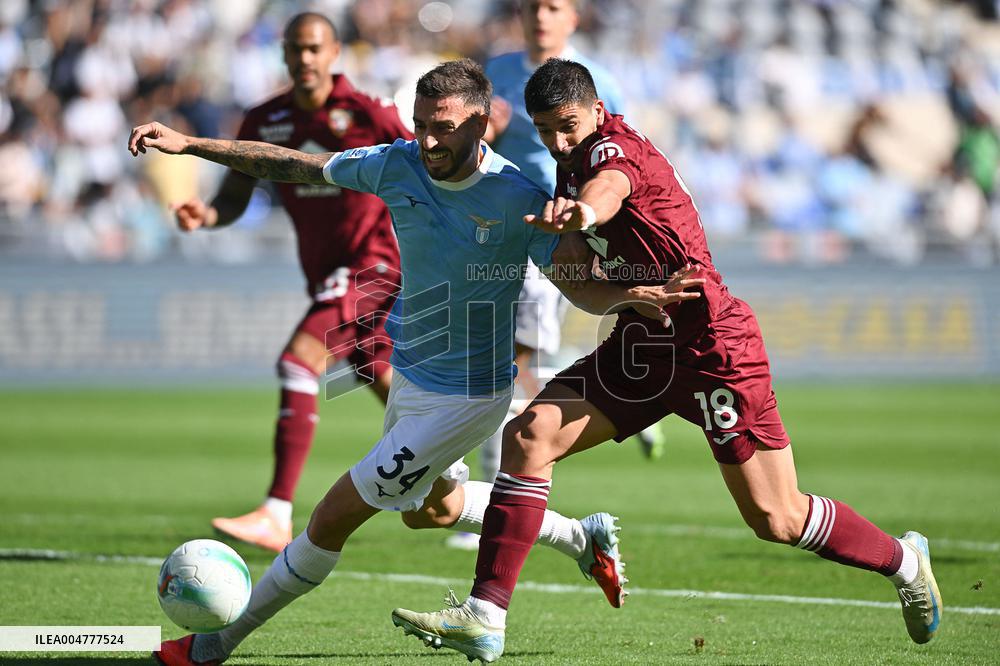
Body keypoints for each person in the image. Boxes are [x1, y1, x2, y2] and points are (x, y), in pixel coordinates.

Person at [131, 58, 701, 666]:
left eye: (445, 127)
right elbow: (287, 163)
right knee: (434, 511)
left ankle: (213, 645)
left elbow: (573, 281)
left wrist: (622, 298)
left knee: (332, 517)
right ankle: (579, 536)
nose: (429, 140)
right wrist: (191, 145)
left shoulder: (519, 198)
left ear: (481, 124)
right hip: (414, 378)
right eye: (421, 124)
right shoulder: (395, 163)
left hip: (469, 396)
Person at [391, 59, 943, 663]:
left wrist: (582, 214)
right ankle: (485, 615)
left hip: (712, 345)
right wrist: (569, 251)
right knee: (531, 435)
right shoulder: (568, 166)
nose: (558, 141)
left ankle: (904, 562)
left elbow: (610, 191)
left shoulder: (611, 154)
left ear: (597, 112)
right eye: (546, 130)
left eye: (569, 126)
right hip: (642, 345)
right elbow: (579, 269)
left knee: (777, 518)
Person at [175, 13, 412, 553]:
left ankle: (276, 510)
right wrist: (206, 216)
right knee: (372, 367)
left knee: (298, 359)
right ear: (283, 55)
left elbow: (426, 169)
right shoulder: (266, 119)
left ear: (333, 54)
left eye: (314, 49)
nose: (305, 59)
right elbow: (235, 196)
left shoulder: (371, 113)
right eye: (295, 50)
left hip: (373, 265)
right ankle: (445, 469)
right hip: (325, 273)